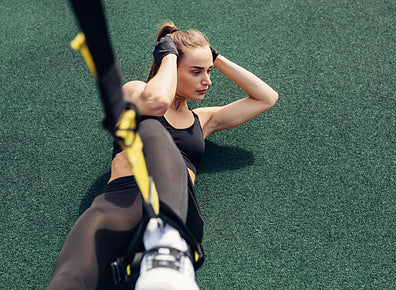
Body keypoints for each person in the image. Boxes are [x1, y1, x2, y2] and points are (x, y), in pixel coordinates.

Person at [47, 21, 278, 289]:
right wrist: (168, 55)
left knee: (159, 139)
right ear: (170, 68)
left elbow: (266, 98)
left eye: (209, 72)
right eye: (196, 71)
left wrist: (215, 58)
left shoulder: (202, 120)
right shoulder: (135, 92)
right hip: (119, 201)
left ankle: (165, 244)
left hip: (177, 206)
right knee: (69, 278)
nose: (207, 81)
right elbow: (158, 101)